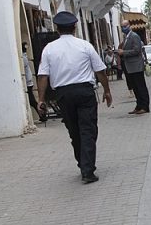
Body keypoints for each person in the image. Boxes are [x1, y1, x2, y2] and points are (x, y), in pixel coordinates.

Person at [36, 11, 112, 183]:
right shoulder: (85, 46)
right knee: (88, 130)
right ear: (75, 27)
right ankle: (87, 169)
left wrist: (41, 99)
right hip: (84, 92)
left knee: (74, 131)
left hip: (63, 95)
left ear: (57, 29)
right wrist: (107, 91)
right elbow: (100, 71)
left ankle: (82, 163)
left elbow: (43, 76)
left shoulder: (49, 49)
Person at [117, 22, 150, 114]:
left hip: (136, 66)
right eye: (122, 26)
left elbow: (136, 50)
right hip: (129, 67)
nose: (123, 28)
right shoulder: (126, 37)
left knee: (140, 87)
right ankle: (139, 105)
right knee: (135, 87)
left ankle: (145, 106)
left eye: (125, 26)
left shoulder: (134, 36)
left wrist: (123, 52)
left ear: (129, 26)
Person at [21, 42, 45, 122]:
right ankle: (42, 115)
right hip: (28, 81)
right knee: (32, 101)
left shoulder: (23, 58)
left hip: (28, 82)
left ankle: (42, 114)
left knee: (32, 101)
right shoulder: (24, 56)